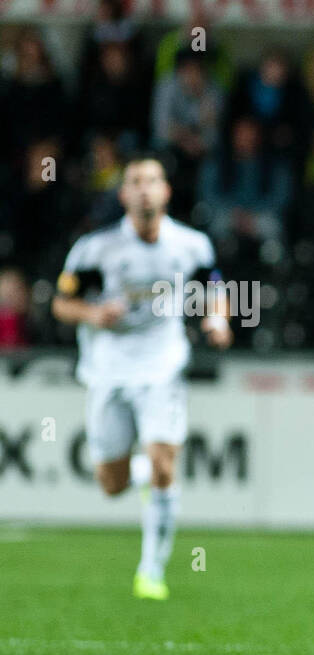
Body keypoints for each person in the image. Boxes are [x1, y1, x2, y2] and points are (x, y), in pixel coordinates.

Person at [52, 155, 232, 599]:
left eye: (153, 180)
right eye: (136, 182)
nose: (145, 189)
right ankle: (140, 470)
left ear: (166, 191)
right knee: (111, 485)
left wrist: (219, 321)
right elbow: (60, 304)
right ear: (124, 195)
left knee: (165, 464)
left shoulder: (191, 245)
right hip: (108, 369)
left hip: (162, 365)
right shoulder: (95, 249)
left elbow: (216, 292)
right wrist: (94, 312)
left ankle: (151, 571)